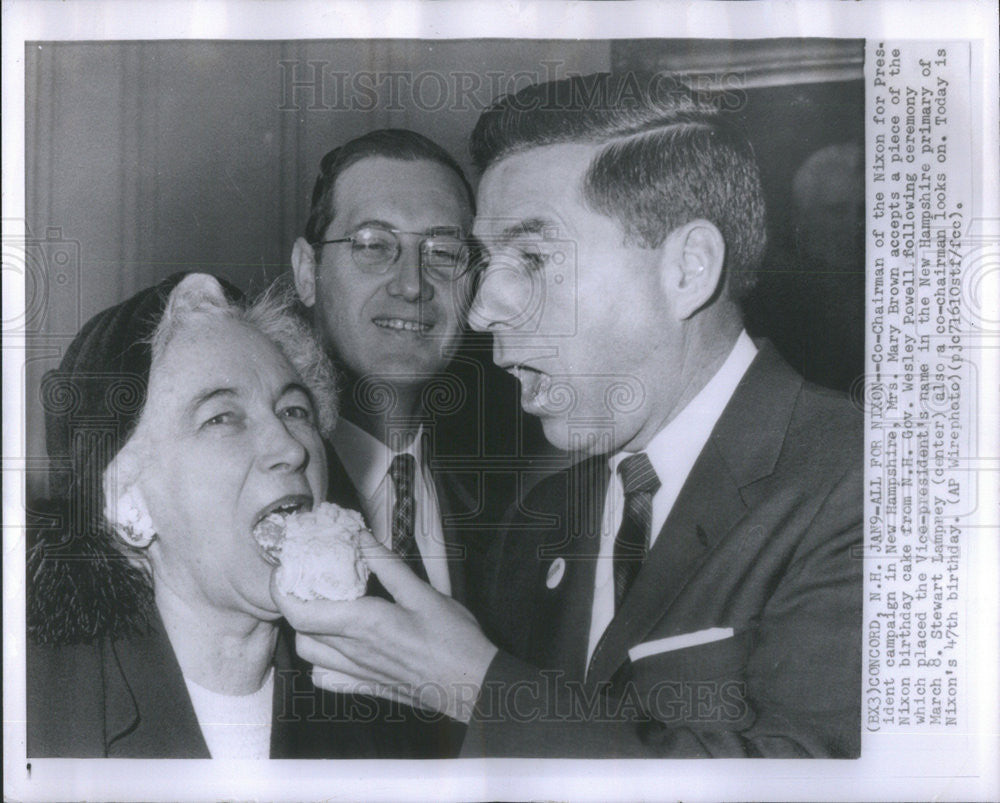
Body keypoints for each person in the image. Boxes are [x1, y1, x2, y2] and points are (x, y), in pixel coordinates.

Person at [274, 73, 863, 759]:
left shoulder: (867, 486)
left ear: (689, 268)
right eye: (489, 261)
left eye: (533, 256)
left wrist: (479, 687)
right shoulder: (539, 523)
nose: (483, 305)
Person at [26, 272, 381, 758]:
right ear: (128, 504)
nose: (289, 448)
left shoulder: (378, 712)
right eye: (220, 418)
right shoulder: (38, 721)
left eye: (295, 410)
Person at [290, 128, 510, 756]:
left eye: (443, 252)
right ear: (308, 272)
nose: (412, 283)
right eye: (373, 245)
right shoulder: (268, 489)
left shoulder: (520, 505)